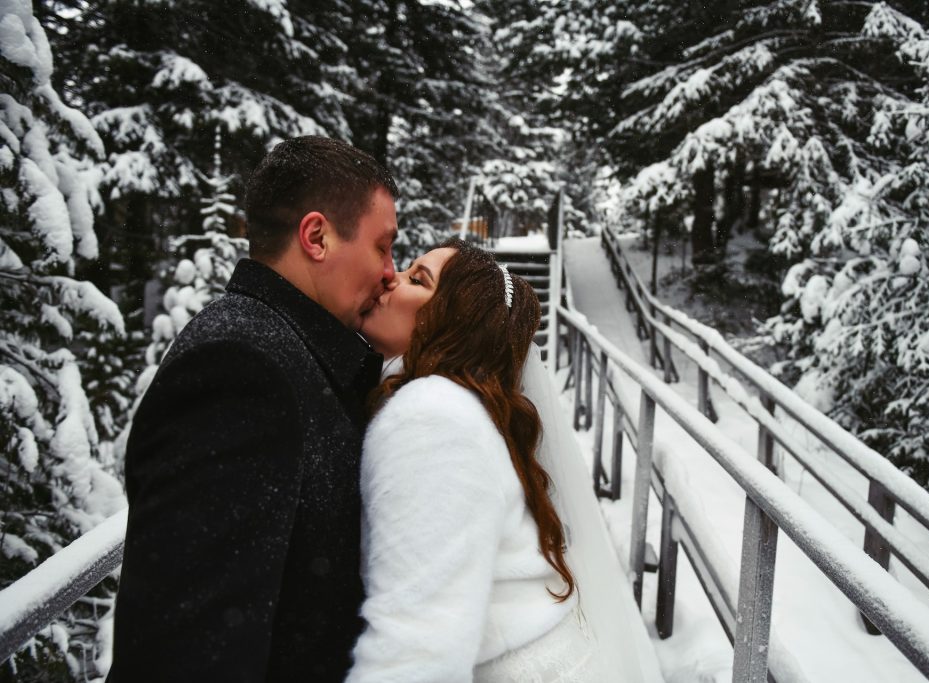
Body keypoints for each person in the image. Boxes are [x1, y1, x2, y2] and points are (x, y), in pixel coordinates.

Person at [108, 136, 399, 683]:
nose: (390, 272)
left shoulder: (287, 352)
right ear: (316, 236)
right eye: (383, 246)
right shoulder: (240, 371)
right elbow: (189, 655)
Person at [347, 239, 604, 682]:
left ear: (453, 321)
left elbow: (416, 653)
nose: (392, 277)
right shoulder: (459, 409)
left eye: (418, 279)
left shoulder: (430, 415)